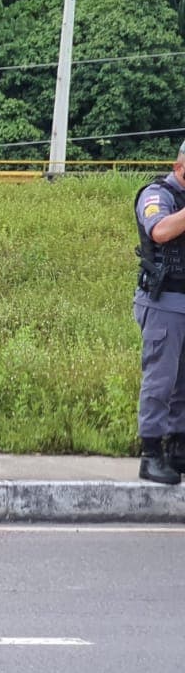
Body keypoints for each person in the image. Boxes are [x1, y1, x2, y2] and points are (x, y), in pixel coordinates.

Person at [130, 141, 185, 485]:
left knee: (183, 383)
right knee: (161, 382)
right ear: (181, 168)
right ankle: (150, 454)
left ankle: (178, 448)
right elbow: (160, 231)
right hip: (164, 302)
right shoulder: (157, 195)